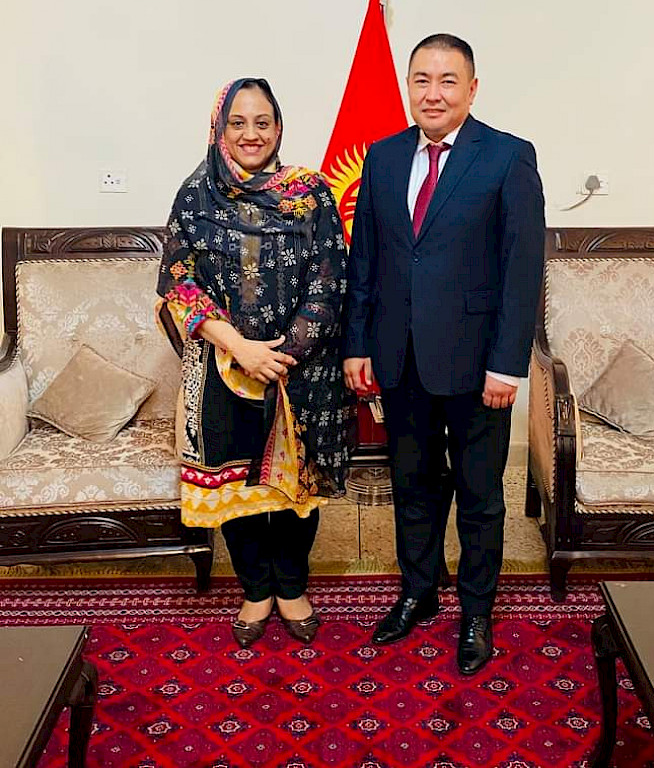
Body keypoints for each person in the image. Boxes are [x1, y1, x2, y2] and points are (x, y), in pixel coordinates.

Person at [343, 34, 545, 675]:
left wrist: (507, 364)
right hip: (399, 358)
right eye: (422, 80)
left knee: (480, 496)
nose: (433, 93)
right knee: (412, 486)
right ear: (409, 86)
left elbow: (521, 271)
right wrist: (358, 344)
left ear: (472, 88)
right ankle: (419, 592)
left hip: (479, 366)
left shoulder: (508, 157)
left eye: (448, 80)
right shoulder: (382, 157)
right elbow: (366, 260)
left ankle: (477, 610)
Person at [158, 77, 352, 648]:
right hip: (223, 366)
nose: (251, 134)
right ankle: (255, 589)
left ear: (278, 127)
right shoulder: (195, 195)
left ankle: (292, 585)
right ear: (219, 129)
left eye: (262, 122)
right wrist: (240, 348)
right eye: (237, 123)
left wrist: (284, 353)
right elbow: (179, 283)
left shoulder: (310, 192)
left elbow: (330, 279)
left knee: (295, 491)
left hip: (301, 370)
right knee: (238, 486)